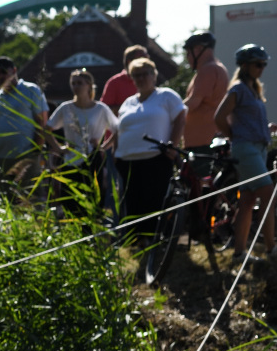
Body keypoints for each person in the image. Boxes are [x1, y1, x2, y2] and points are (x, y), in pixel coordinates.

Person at [113, 59, 188, 247]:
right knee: (132, 201)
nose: (141, 78)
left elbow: (180, 116)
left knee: (154, 200)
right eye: (136, 75)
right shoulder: (128, 103)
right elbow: (118, 129)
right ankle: (138, 241)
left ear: (154, 75)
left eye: (145, 73)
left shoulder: (166, 96)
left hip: (155, 158)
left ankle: (156, 241)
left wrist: (173, 144)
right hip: (127, 160)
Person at [215, 43, 277, 259]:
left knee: (248, 201)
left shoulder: (254, 90)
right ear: (244, 65)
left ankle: (240, 252)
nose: (262, 68)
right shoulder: (238, 89)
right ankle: (272, 249)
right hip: (246, 149)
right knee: (268, 194)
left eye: (264, 64)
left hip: (258, 148)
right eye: (257, 64)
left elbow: (248, 120)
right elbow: (219, 117)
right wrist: (234, 136)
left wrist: (266, 128)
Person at [46, 69, 120, 205]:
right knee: (70, 201)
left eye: (79, 83)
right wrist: (59, 148)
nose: (76, 87)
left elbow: (117, 129)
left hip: (92, 159)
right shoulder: (66, 108)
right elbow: (47, 128)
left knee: (92, 200)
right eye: (73, 83)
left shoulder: (100, 109)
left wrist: (103, 146)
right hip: (71, 159)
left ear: (89, 85)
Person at [0, 56, 50, 180]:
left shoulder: (30, 90)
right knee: (1, 197)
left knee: (25, 197)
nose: (0, 76)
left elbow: (42, 123)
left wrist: (35, 154)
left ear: (14, 71)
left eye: (3, 72)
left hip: (24, 159)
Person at [181, 32, 229, 152]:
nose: (188, 58)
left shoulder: (208, 70)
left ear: (199, 49)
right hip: (206, 141)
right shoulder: (215, 68)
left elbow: (193, 102)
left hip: (202, 144)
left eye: (188, 53)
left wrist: (166, 112)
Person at [101, 45, 149, 112]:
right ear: (130, 62)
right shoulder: (114, 83)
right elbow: (104, 110)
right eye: (141, 60)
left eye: (147, 59)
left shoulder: (150, 79)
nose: (146, 63)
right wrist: (130, 108)